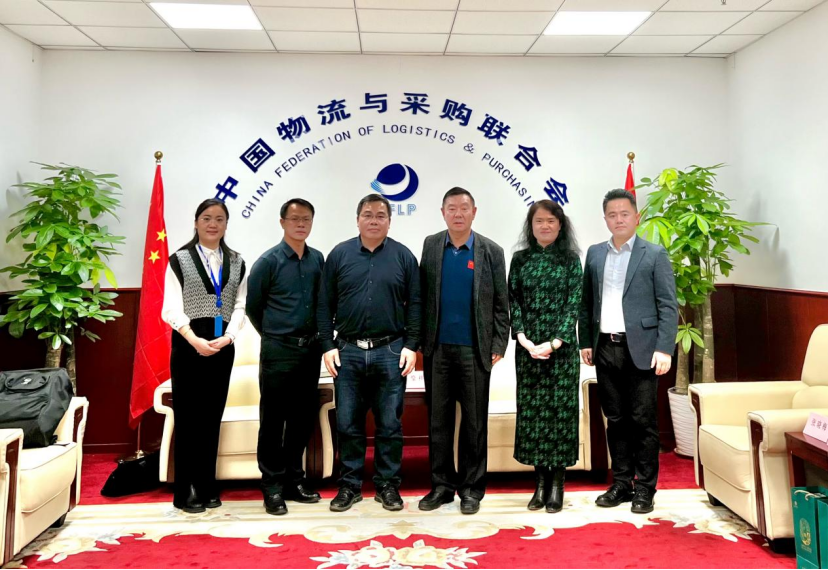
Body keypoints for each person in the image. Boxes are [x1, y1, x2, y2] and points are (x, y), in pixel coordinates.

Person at [318, 194, 421, 513]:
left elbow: (417, 304)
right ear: (357, 219)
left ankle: (387, 486)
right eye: (367, 214)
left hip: (390, 351)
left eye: (380, 215)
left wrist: (411, 345)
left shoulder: (404, 256)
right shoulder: (339, 255)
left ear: (389, 221)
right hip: (347, 351)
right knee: (348, 423)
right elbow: (324, 304)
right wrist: (327, 346)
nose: (374, 220)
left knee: (389, 424)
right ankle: (349, 486)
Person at [579, 189, 678, 514]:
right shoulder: (595, 253)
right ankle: (622, 483)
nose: (618, 219)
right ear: (605, 219)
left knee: (642, 420)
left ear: (636, 217)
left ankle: (645, 488)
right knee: (616, 419)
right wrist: (585, 341)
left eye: (624, 214)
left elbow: (668, 305)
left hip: (643, 350)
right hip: (605, 347)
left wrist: (664, 348)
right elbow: (587, 302)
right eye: (612, 215)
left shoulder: (655, 254)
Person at [417, 187, 509, 516]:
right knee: (438, 422)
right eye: (452, 208)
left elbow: (501, 303)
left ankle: (472, 489)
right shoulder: (431, 245)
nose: (458, 213)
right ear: (443, 212)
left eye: (464, 208)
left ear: (474, 212)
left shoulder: (491, 251)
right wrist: (418, 342)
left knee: (474, 424)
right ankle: (441, 486)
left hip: (475, 350)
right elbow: (422, 295)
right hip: (437, 349)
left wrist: (498, 343)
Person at [161, 198, 248, 513]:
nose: (213, 224)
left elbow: (240, 305)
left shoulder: (237, 261)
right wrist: (194, 340)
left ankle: (207, 484)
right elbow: (170, 307)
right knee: (189, 419)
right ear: (196, 222)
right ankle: (186, 490)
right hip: (188, 343)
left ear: (226, 225)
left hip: (223, 345)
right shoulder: (179, 260)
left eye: (220, 219)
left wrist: (229, 336)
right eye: (207, 218)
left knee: (212, 418)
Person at [246, 198, 324, 516]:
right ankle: (272, 486)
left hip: (310, 350)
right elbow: (253, 307)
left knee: (302, 419)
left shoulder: (318, 259)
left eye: (306, 219)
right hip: (278, 350)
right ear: (282, 222)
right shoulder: (268, 261)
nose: (300, 224)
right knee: (273, 420)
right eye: (295, 219)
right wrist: (275, 335)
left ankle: (294, 480)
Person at [508, 199, 582, 513]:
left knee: (560, 415)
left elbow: (574, 303)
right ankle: (539, 485)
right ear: (531, 225)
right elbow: (513, 301)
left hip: (561, 352)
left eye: (551, 220)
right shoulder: (520, 259)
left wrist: (554, 342)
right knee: (534, 417)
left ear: (560, 225)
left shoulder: (571, 260)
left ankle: (557, 486)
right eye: (539, 221)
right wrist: (523, 338)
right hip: (528, 351)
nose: (545, 226)